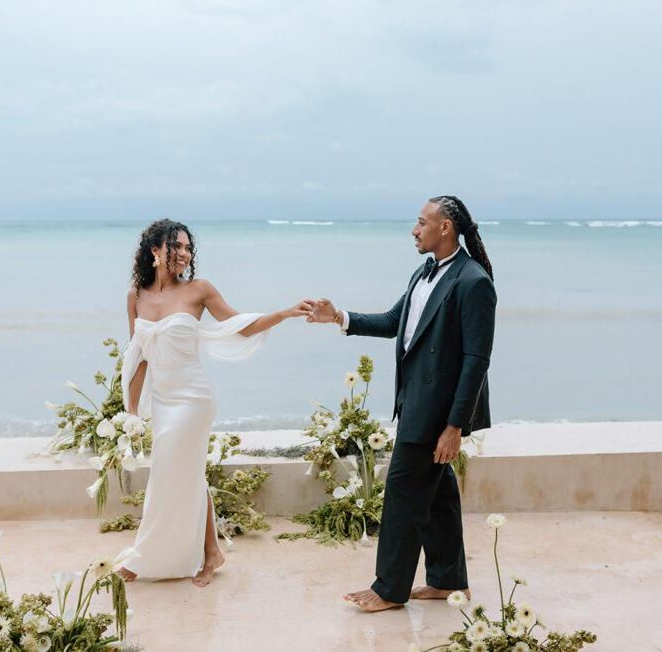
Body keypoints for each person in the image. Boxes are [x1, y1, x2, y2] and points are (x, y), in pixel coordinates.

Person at [307, 196, 496, 611]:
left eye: (421, 222)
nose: (414, 230)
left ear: (444, 228)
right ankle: (447, 580)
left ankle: (389, 589)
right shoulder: (423, 273)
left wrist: (454, 427)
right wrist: (338, 316)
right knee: (438, 496)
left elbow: (476, 361)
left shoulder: (473, 281)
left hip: (437, 413)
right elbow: (395, 322)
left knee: (402, 496)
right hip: (416, 403)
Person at [117, 219, 310, 587]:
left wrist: (284, 313)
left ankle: (144, 555)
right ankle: (212, 552)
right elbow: (137, 356)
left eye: (189, 248)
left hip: (193, 397)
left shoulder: (198, 290)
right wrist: (131, 413)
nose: (186, 254)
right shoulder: (135, 296)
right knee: (185, 472)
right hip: (162, 398)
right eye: (178, 246)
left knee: (168, 472)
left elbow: (241, 325)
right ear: (155, 251)